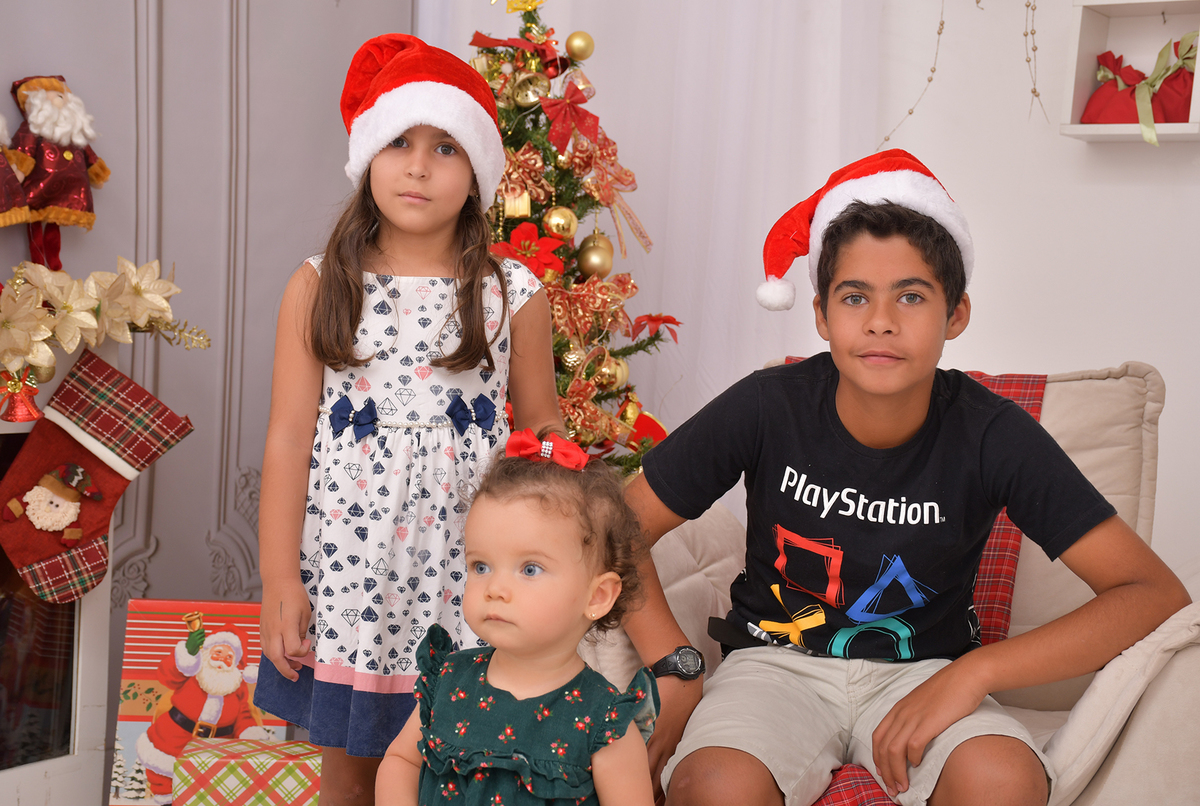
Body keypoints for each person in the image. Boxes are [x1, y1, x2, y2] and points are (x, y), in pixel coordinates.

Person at [621, 150, 1192, 806]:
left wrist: (977, 672)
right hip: (773, 666)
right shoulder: (766, 406)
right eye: (855, 296)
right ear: (821, 315)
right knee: (715, 786)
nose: (881, 320)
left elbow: (1151, 593)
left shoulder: (992, 433)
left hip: (926, 673)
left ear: (956, 314)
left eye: (912, 296)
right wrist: (675, 663)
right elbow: (619, 528)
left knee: (1004, 779)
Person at [253, 34, 564, 806]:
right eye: (400, 142)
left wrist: (551, 561)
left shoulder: (512, 292)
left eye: (445, 147)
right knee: (351, 777)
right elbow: (288, 439)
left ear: (477, 171)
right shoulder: (320, 285)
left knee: (466, 772)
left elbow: (543, 432)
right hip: (351, 578)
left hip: (468, 574)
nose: (419, 167)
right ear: (368, 156)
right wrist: (280, 579)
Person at [376, 430, 658, 806]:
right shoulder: (447, 681)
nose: (495, 588)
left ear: (597, 596)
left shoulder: (604, 723)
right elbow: (401, 761)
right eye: (481, 566)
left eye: (529, 569)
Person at [137, 627, 269, 804]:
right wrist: (188, 653)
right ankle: (166, 799)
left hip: (218, 744)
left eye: (229, 657)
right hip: (176, 736)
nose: (222, 659)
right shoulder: (192, 670)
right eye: (218, 652)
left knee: (213, 784)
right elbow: (167, 675)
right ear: (207, 652)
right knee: (163, 772)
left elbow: (243, 714)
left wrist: (250, 732)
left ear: (235, 663)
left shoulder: (237, 685)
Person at [7, 75, 110, 270]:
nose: (58, 101)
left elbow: (89, 156)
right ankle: (38, 266)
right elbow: (24, 152)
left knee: (54, 226)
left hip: (70, 190)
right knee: (35, 224)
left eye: (60, 96)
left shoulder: (73, 132)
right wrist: (18, 173)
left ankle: (54, 265)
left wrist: (98, 174)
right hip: (40, 186)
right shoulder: (32, 130)